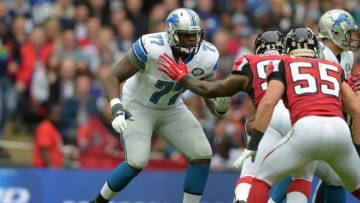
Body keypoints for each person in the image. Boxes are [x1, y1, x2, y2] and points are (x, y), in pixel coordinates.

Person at [90, 8, 231, 203]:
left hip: (172, 107)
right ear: (171, 34)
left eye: (194, 36)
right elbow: (113, 76)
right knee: (137, 161)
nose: (191, 41)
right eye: (185, 36)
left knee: (202, 153)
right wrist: (116, 107)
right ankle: (98, 201)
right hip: (138, 105)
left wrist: (220, 106)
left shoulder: (207, 56)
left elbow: (209, 96)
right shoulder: (152, 46)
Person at [158, 30, 311, 202]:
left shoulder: (249, 62)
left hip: (267, 119)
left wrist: (183, 77)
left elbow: (212, 89)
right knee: (302, 176)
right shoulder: (298, 61)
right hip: (302, 117)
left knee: (251, 173)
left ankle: (242, 197)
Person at [237, 27, 360, 203]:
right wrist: (357, 150)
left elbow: (268, 102)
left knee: (261, 179)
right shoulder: (334, 67)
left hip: (306, 129)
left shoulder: (284, 64)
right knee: (343, 182)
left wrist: (254, 143)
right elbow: (356, 110)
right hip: (339, 131)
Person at [268, 9, 360, 203]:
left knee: (332, 176)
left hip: (322, 117)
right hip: (300, 115)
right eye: (348, 32)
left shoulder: (347, 56)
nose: (352, 37)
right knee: (302, 166)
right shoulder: (315, 52)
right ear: (334, 32)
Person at [32, 103, 63, 168]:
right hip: (44, 171)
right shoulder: (45, 127)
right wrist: (50, 166)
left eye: (59, 113)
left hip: (52, 171)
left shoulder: (53, 128)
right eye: (56, 113)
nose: (58, 115)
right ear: (49, 114)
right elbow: (44, 148)